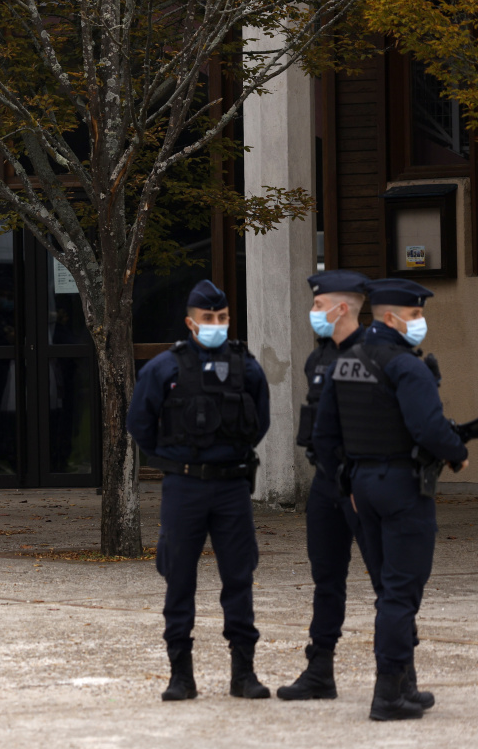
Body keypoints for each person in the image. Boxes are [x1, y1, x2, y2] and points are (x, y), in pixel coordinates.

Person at [313, 279, 467, 721]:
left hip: (362, 487)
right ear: (391, 317)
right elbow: (429, 429)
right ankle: (388, 694)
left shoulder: (345, 362)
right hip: (402, 488)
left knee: (388, 589)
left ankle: (405, 685)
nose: (420, 322)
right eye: (415, 315)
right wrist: (457, 452)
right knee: (401, 593)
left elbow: (324, 437)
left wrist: (347, 488)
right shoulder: (406, 366)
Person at [127, 279, 271, 702]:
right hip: (184, 485)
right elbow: (139, 422)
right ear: (191, 322)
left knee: (239, 577)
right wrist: (172, 458)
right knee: (179, 578)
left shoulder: (246, 366)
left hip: (231, 487)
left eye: (222, 317)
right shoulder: (164, 368)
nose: (216, 324)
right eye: (208, 318)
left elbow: (260, 420)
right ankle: (180, 675)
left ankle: (243, 674)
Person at [278, 270, 380, 700]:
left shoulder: (378, 354)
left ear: (341, 308)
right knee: (326, 579)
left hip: (364, 485)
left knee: (387, 583)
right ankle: (320, 671)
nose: (313, 312)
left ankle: (400, 677)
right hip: (325, 484)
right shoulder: (317, 358)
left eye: (319, 306)